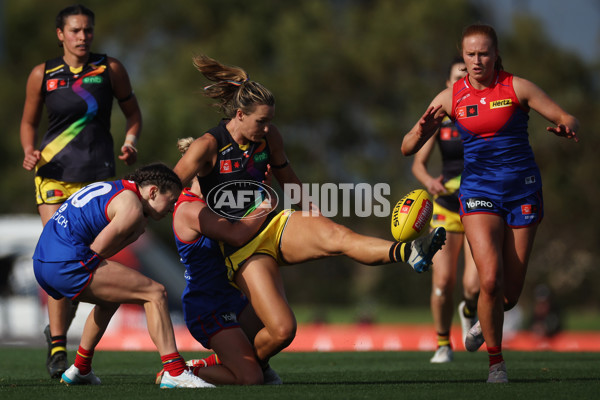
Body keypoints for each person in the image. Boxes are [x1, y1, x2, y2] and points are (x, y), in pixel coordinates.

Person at [173, 54, 447, 369]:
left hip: (272, 224)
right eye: (261, 121)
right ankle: (222, 367)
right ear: (239, 115)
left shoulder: (270, 137)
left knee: (339, 236)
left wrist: (312, 208)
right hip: (239, 248)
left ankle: (409, 251)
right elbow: (169, 187)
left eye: (270, 120)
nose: (267, 128)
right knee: (283, 331)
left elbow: (287, 176)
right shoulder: (208, 145)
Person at [401, 24, 579, 383]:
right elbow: (407, 147)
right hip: (478, 192)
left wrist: (566, 127)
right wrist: (421, 130)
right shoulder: (451, 96)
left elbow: (566, 116)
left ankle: (487, 320)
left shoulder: (517, 87)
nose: (477, 60)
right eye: (471, 55)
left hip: (523, 191)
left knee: (509, 295)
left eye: (484, 53)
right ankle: (496, 364)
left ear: (496, 54)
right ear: (462, 57)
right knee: (490, 280)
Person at [19, 4, 142, 378]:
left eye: (87, 30)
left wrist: (131, 140)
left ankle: (59, 329)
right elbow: (28, 121)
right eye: (74, 30)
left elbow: (132, 113)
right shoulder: (43, 74)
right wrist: (28, 150)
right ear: (60, 34)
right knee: (60, 254)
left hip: (96, 179)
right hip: (53, 177)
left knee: (79, 258)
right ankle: (58, 347)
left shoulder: (110, 69)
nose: (82, 37)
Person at [32, 163, 214, 389]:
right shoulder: (132, 207)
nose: (173, 207)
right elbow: (97, 251)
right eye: (172, 199)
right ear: (153, 191)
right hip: (64, 263)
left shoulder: (118, 189)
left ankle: (81, 368)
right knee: (155, 293)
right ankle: (175, 372)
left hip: (42, 261)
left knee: (112, 297)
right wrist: (73, 289)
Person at [160, 161, 282, 385]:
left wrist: (262, 189)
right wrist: (265, 205)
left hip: (233, 298)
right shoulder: (190, 208)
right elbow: (236, 235)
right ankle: (182, 372)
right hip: (208, 306)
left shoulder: (218, 200)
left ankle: (227, 361)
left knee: (277, 327)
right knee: (251, 378)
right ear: (201, 172)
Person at [411, 57, 479, 363]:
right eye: (456, 76)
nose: (462, 80)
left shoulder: (484, 114)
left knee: (474, 285)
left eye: (466, 75)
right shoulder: (440, 120)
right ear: (447, 84)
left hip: (480, 206)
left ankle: (469, 310)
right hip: (446, 207)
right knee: (442, 282)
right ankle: (442, 344)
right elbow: (417, 163)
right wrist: (429, 182)